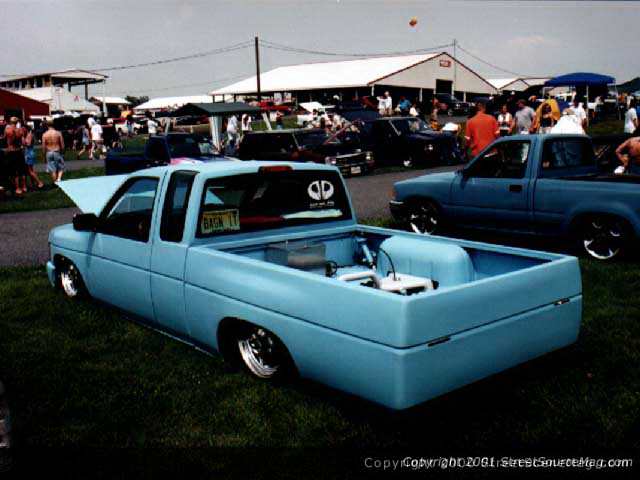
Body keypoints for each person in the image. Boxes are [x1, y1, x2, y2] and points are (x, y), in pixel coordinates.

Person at [4, 117, 26, 195]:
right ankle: (24, 187)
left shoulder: (8, 130)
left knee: (14, 171)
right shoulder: (20, 130)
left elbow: (6, 140)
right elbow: (23, 142)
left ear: (10, 122)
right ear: (17, 122)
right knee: (21, 170)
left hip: (11, 151)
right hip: (19, 151)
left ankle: (17, 188)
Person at [23, 124, 43, 189]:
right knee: (30, 170)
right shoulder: (29, 134)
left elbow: (28, 144)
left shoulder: (29, 135)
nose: (22, 130)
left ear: (26, 129)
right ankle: (33, 184)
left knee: (30, 171)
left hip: (29, 153)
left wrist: (23, 140)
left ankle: (39, 182)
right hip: (29, 152)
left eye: (23, 129)